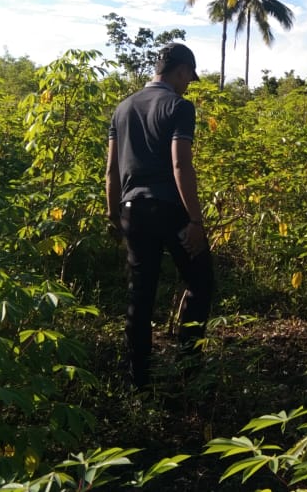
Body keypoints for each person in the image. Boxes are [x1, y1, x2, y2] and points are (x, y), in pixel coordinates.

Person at [106, 42, 215, 390]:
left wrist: (114, 217)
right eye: (189, 78)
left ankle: (139, 381)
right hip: (170, 211)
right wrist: (195, 222)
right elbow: (180, 164)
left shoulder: (122, 109)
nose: (188, 85)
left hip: (131, 211)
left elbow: (111, 172)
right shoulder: (179, 107)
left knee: (141, 295)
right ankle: (188, 367)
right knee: (201, 283)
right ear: (181, 71)